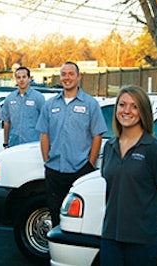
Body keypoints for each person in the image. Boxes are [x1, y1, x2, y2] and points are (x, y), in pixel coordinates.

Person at [99, 85, 157, 266]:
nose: (127, 111)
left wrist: (145, 224)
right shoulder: (109, 147)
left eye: (134, 106)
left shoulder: (154, 149)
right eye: (122, 105)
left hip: (142, 241)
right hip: (110, 237)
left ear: (143, 111)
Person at [35, 61, 107, 227]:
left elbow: (97, 135)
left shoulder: (90, 104)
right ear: (60, 77)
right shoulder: (50, 104)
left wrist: (90, 164)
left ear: (78, 77)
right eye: (64, 74)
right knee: (55, 214)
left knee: (78, 218)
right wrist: (47, 161)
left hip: (80, 170)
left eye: (71, 74)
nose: (67, 78)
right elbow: (44, 134)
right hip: (55, 170)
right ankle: (56, 251)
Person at [1, 67, 45, 148]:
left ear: (29, 79)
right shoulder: (10, 98)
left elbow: (45, 122)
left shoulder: (38, 97)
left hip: (32, 145)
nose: (21, 80)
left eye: (24, 77)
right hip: (14, 144)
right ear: (16, 80)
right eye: (18, 77)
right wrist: (6, 143)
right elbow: (6, 122)